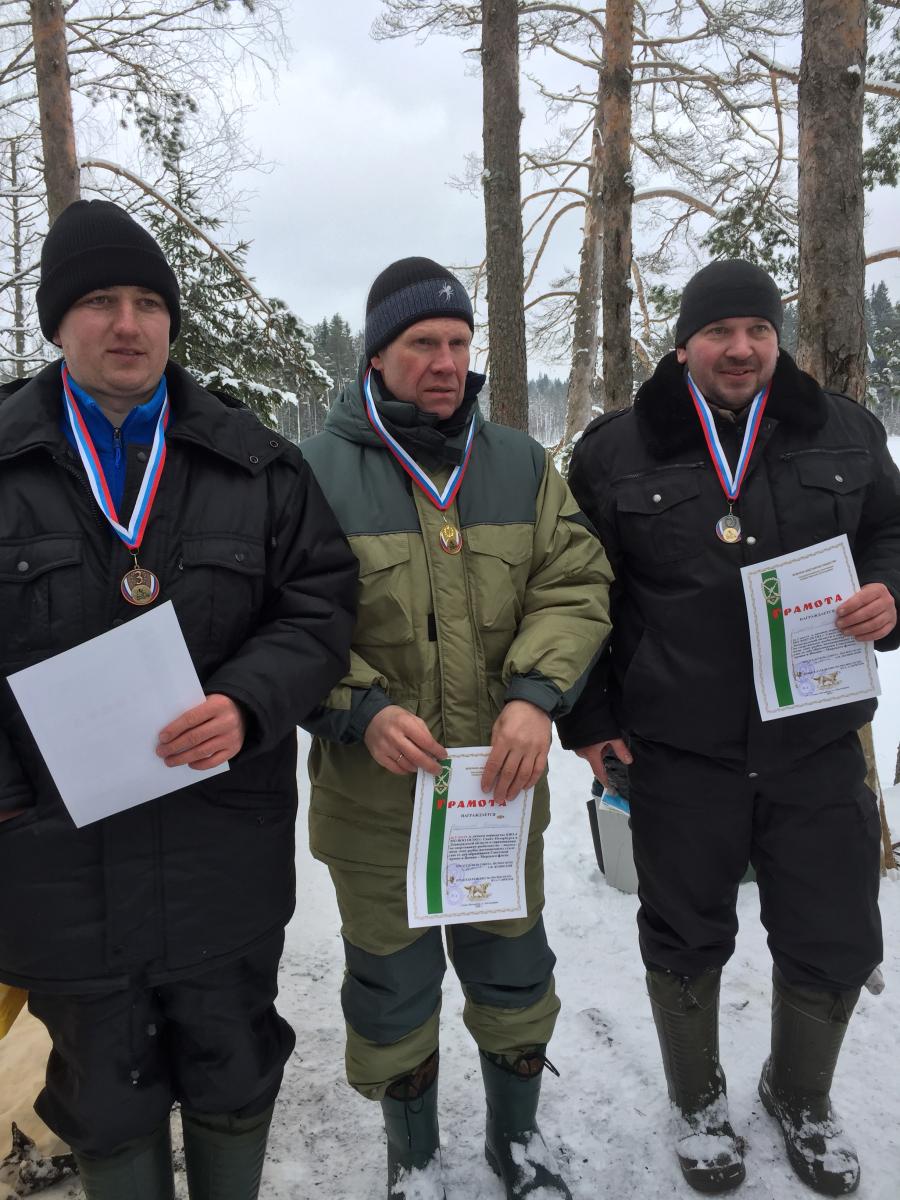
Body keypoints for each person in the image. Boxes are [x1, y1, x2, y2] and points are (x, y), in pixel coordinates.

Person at [0, 199, 358, 1200]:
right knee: (102, 1091)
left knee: (233, 1063)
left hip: (221, 844)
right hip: (55, 859)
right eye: (100, 302)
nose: (128, 323)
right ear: (57, 322)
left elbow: (320, 605)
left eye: (149, 303)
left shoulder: (257, 463)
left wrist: (247, 703)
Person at [558, 259, 900, 1196]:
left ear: (776, 338)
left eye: (757, 329)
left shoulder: (844, 430)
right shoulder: (616, 451)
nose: (740, 348)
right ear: (684, 346)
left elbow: (892, 533)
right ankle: (698, 1099)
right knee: (683, 932)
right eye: (718, 332)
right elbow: (577, 592)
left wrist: (889, 593)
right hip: (679, 749)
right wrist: (589, 718)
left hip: (816, 743)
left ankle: (801, 1094)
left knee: (834, 929)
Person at [300, 257, 612, 1199]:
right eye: (421, 343)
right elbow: (282, 622)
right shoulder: (314, 474)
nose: (445, 362)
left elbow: (575, 583)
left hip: (495, 797)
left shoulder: (519, 464)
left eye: (458, 342)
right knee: (392, 991)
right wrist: (358, 707)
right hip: (375, 804)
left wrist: (535, 693)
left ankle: (514, 1141)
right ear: (375, 355)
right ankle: (416, 1160)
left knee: (514, 972)